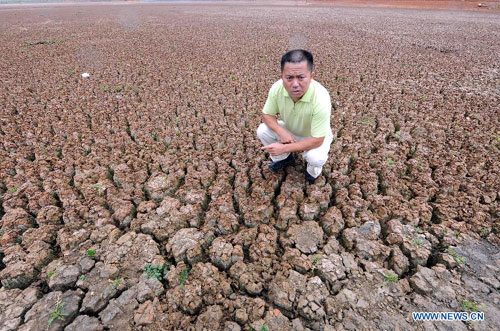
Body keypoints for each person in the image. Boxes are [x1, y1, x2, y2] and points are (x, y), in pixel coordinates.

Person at [256, 49, 333, 184]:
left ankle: (311, 172)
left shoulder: (321, 98)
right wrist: (281, 132)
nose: (295, 84)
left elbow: (317, 140)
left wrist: (284, 147)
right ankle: (283, 159)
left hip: (314, 136)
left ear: (311, 76)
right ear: (282, 76)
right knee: (262, 130)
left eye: (301, 77)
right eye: (289, 78)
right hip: (290, 131)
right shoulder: (277, 88)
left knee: (316, 158)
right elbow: (267, 115)